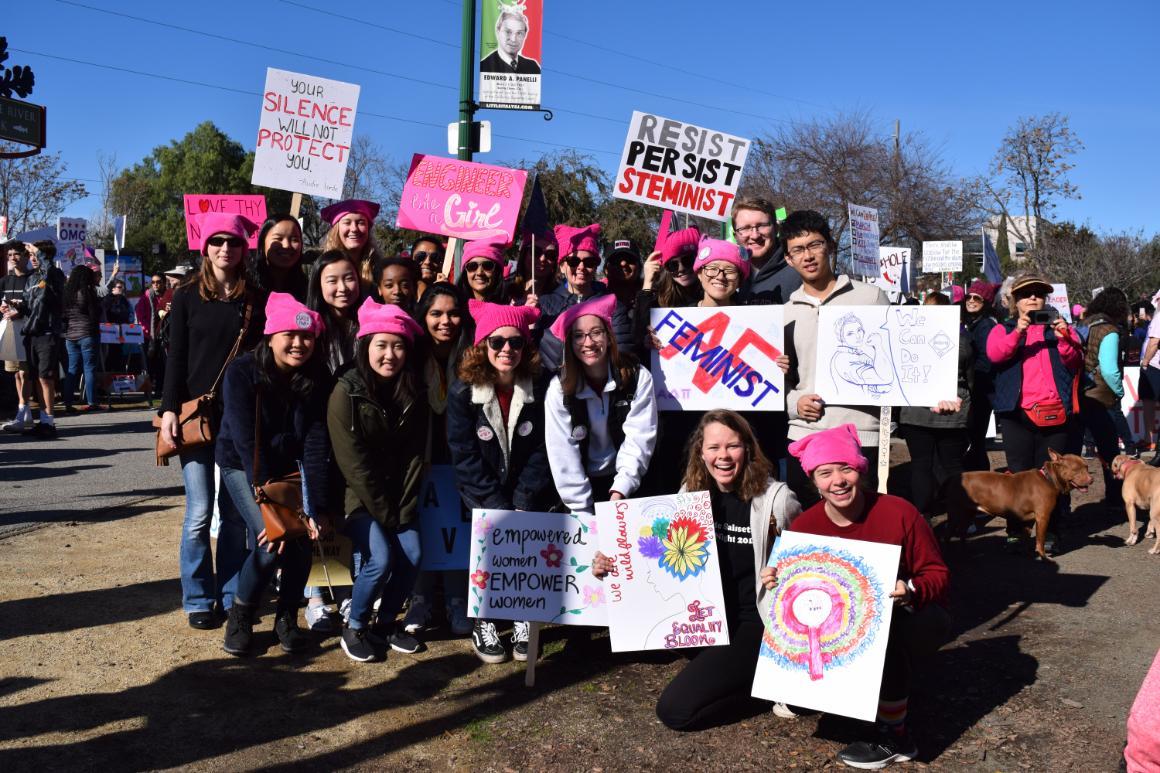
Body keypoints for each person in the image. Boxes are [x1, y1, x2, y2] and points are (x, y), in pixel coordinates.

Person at [592, 409, 800, 729]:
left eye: (732, 446)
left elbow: (809, 564)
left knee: (674, 711)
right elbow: (654, 549)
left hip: (755, 622)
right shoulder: (691, 492)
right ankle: (756, 674)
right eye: (714, 448)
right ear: (701, 453)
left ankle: (769, 683)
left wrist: (781, 574)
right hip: (708, 620)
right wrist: (610, 561)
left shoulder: (776, 499)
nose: (723, 456)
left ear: (748, 449)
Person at [777, 423, 950, 769]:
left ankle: (895, 735)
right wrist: (777, 577)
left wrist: (911, 590)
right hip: (836, 626)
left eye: (846, 469)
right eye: (825, 473)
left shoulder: (899, 512)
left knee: (893, 624)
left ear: (860, 470)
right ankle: (817, 688)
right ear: (814, 480)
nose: (837, 481)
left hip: (906, 614)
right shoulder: (804, 527)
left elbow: (938, 574)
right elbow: (796, 588)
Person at [159, 212, 264, 629]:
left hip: (238, 417)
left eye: (233, 242)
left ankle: (231, 593)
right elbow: (176, 358)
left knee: (235, 513)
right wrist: (169, 410)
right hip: (194, 416)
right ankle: (199, 597)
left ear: (243, 249)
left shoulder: (255, 297)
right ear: (205, 248)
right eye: (217, 241)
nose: (225, 248)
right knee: (200, 511)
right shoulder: (185, 295)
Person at [216, 293, 330, 656]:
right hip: (244, 465)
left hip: (289, 468)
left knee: (299, 541)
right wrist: (272, 508)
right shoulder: (242, 372)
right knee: (271, 543)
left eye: (307, 337)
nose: (299, 344)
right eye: (289, 336)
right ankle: (242, 614)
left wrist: (315, 504)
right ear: (270, 337)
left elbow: (315, 442)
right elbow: (247, 439)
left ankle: (287, 618)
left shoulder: (315, 376)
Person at [446, 300, 556, 663]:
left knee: (525, 548)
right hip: (484, 490)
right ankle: (485, 618)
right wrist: (494, 503)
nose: (506, 349)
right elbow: (463, 452)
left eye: (515, 342)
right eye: (497, 342)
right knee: (485, 550)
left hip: (528, 485)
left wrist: (523, 495)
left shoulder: (542, 385)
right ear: (482, 346)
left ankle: (525, 614)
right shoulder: (464, 390)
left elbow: (546, 444)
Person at [327, 299, 429, 662]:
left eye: (398, 345)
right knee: (380, 558)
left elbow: (417, 454)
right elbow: (353, 464)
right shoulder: (346, 391)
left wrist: (403, 507)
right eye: (381, 345)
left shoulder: (413, 390)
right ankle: (354, 625)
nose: (390, 354)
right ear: (365, 345)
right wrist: (387, 516)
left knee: (414, 553)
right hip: (357, 497)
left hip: (399, 496)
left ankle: (386, 623)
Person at [781, 210, 889, 505]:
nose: (808, 256)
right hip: (805, 434)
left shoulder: (871, 297)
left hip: (861, 433)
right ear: (789, 260)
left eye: (815, 245)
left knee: (860, 529)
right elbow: (779, 379)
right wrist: (794, 403)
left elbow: (897, 364)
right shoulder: (785, 312)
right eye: (798, 250)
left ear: (829, 246)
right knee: (810, 529)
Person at [986, 271, 1083, 553]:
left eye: (1038, 294)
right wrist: (1019, 330)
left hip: (1055, 414)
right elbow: (996, 354)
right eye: (1026, 294)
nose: (1033, 298)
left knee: (1055, 478)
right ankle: (1017, 528)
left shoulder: (1060, 327)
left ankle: (1051, 530)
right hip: (1017, 414)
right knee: (1018, 476)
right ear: (1013, 300)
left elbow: (1075, 359)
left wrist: (1065, 335)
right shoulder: (1002, 329)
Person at [401, 283, 473, 638]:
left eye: (453, 312)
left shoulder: (473, 355)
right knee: (425, 525)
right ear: (423, 317)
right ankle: (420, 599)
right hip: (420, 456)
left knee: (457, 528)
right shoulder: (410, 355)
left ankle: (458, 601)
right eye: (436, 314)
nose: (446, 321)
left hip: (461, 457)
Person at [544, 293, 657, 516]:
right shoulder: (559, 389)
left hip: (629, 483)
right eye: (578, 336)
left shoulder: (637, 377)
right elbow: (562, 454)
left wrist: (620, 491)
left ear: (608, 336)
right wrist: (582, 511)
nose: (588, 342)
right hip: (581, 486)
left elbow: (640, 439)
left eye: (596, 332)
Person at [899, 293, 972, 519]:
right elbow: (970, 377)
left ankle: (923, 515)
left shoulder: (909, 338)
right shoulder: (962, 340)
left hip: (915, 412)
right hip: (952, 410)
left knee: (921, 465)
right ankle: (960, 515)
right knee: (952, 465)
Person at [538, 223, 635, 373]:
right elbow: (536, 358)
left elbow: (623, 353)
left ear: (596, 267)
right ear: (562, 266)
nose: (581, 267)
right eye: (574, 262)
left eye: (589, 262)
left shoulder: (614, 305)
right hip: (555, 388)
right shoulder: (544, 305)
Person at [1078, 287, 1133, 505]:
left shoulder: (1083, 325)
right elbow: (1109, 369)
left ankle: (1061, 505)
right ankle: (1115, 497)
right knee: (1110, 451)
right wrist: (1119, 390)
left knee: (1074, 448)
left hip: (1079, 393)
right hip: (1101, 396)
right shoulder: (1109, 330)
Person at [15, 241, 65, 438]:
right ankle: (42, 420)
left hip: (47, 333)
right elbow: (29, 305)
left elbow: (49, 271)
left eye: (37, 255)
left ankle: (49, 422)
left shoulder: (54, 274)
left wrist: (38, 251)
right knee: (36, 377)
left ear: (47, 256)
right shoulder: (31, 279)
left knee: (45, 377)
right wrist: (15, 306)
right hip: (31, 333)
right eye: (32, 256)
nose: (33, 258)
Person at [733, 197, 801, 304]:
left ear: (776, 229)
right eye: (745, 228)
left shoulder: (800, 271)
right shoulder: (730, 276)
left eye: (762, 226)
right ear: (735, 236)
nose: (755, 235)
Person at [963, 280, 1000, 471]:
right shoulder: (973, 323)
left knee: (976, 439)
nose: (970, 300)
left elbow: (987, 359)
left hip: (980, 391)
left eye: (976, 298)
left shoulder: (985, 325)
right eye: (968, 296)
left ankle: (980, 477)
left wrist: (967, 375)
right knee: (974, 441)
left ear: (985, 302)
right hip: (976, 389)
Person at [306, 250, 362, 377]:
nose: (343, 288)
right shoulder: (309, 330)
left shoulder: (369, 326)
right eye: (332, 281)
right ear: (318, 285)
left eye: (349, 279)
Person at [60, 264, 103, 413]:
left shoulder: (67, 294)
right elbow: (95, 314)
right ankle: (92, 402)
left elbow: (64, 317)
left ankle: (67, 402)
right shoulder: (88, 293)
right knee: (89, 369)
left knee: (72, 369)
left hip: (70, 336)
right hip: (88, 334)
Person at [1, 241, 33, 432]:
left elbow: (36, 305)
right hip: (10, 331)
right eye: (10, 255)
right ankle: (25, 409)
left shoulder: (32, 279)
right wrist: (2, 307)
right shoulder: (5, 280)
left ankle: (23, 409)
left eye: (17, 254)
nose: (13, 258)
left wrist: (20, 311)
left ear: (26, 256)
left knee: (25, 371)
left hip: (27, 330)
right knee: (15, 372)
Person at [320, 199, 382, 287]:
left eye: (360, 223)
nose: (354, 229)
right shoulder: (321, 265)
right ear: (336, 230)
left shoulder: (381, 269)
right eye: (347, 222)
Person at [255, 214, 307, 300]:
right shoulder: (246, 287)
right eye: (278, 239)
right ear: (262, 243)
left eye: (294, 240)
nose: (286, 245)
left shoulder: (310, 290)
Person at [479, 5, 541, 74]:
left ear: (525, 35)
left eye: (519, 33)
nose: (513, 39)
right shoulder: (486, 66)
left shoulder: (533, 67)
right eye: (508, 32)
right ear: (497, 31)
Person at [136, 274, 168, 403]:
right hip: (149, 336)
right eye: (153, 282)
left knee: (162, 365)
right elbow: (140, 314)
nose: (155, 284)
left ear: (164, 283)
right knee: (149, 365)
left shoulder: (168, 295)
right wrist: (147, 331)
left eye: (158, 282)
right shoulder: (147, 296)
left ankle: (160, 390)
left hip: (164, 334)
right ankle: (149, 391)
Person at [604, 239, 643, 311]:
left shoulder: (652, 299)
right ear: (606, 269)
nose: (623, 264)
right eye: (616, 260)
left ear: (639, 267)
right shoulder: (595, 299)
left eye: (630, 259)